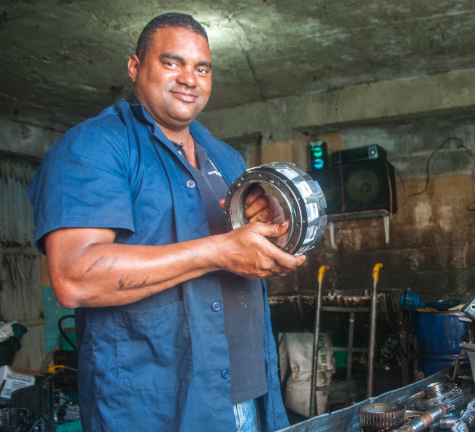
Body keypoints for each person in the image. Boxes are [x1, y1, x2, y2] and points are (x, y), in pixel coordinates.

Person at [28, 12, 305, 432]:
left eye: (202, 68)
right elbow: (74, 278)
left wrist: (272, 232)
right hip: (154, 409)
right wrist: (220, 251)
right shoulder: (94, 146)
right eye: (172, 62)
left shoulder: (225, 157)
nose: (189, 79)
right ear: (135, 67)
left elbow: (244, 253)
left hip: (248, 395)